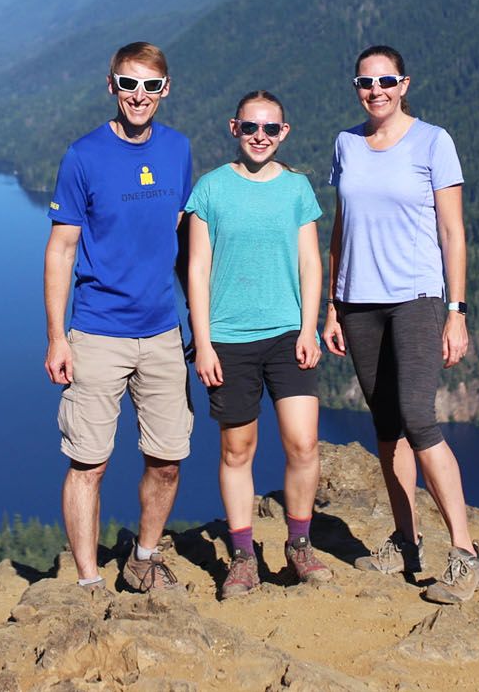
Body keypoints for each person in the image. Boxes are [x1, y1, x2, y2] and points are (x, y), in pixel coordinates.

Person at [322, 45, 479, 604]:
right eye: (366, 82)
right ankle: (406, 541)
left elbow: (453, 233)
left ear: (405, 83)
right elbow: (341, 226)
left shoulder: (434, 142)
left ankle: (464, 554)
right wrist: (332, 305)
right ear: (356, 87)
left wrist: (456, 312)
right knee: (387, 425)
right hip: (358, 303)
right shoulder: (346, 144)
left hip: (415, 298)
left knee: (418, 418)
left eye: (386, 80)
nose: (376, 90)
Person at [44, 41, 193, 592]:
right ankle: (87, 583)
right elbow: (61, 250)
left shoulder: (178, 150)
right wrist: (57, 338)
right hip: (97, 332)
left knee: (169, 459)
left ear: (165, 90)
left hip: (161, 333)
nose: (139, 96)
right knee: (89, 464)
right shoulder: (82, 156)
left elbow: (183, 243)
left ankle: (143, 559)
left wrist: (197, 328)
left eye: (150, 86)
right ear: (111, 86)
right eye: (128, 84)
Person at [186, 91, 330, 598]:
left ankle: (298, 545)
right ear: (234, 128)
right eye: (251, 128)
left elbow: (311, 262)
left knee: (303, 443)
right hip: (228, 338)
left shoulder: (296, 188)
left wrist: (309, 328)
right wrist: (202, 344)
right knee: (237, 449)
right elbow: (197, 269)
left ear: (284, 132)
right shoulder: (210, 189)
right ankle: (243, 554)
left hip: (288, 334)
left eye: (270, 129)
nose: (260, 137)